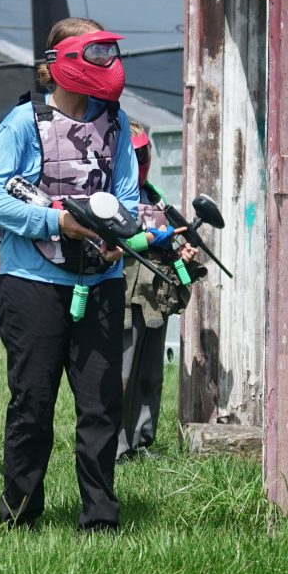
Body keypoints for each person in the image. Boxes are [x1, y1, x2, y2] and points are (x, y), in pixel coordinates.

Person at [0, 16, 138, 531]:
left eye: (108, 54)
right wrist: (56, 222)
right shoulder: (24, 123)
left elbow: (129, 197)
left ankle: (101, 521)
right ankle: (21, 517)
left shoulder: (116, 122)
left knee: (101, 405)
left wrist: (121, 241)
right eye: (94, 55)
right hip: (33, 287)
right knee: (33, 402)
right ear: (60, 64)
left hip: (101, 283)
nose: (106, 66)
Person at [117, 123, 198, 461]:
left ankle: (141, 443)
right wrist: (151, 238)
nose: (138, 161)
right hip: (123, 293)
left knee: (150, 375)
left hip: (156, 292)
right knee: (121, 375)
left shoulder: (155, 197)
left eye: (142, 153)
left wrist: (179, 252)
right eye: (131, 154)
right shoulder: (111, 194)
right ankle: (115, 448)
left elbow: (167, 240)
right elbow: (111, 243)